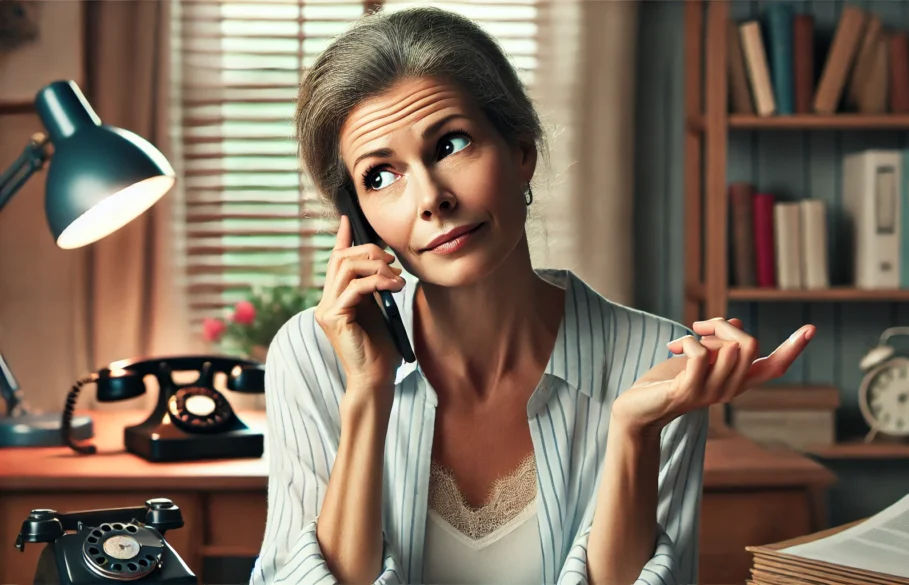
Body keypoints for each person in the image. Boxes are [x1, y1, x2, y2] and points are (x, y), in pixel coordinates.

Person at [250, 6, 815, 585]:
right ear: (359, 219)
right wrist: (367, 395)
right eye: (380, 175)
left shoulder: (659, 361)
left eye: (451, 144)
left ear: (522, 151)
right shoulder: (313, 356)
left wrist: (634, 435)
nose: (430, 198)